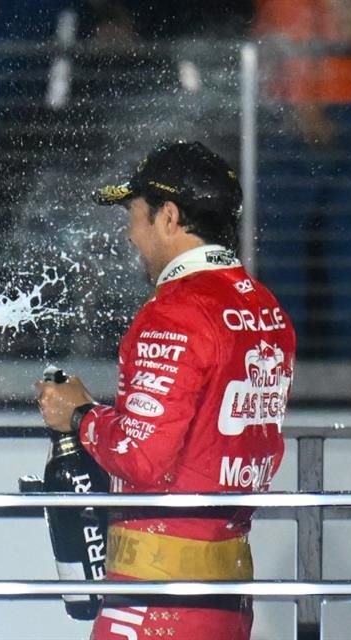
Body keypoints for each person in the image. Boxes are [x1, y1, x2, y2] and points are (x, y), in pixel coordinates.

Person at [36, 141, 296, 639]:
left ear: (169, 217)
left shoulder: (174, 311)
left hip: (157, 598)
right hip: (229, 597)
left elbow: (141, 456)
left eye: (134, 215)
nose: (131, 234)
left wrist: (80, 414)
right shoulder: (267, 310)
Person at [254, 0, 351, 358]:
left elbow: (287, 29)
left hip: (327, 104)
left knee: (288, 239)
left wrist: (301, 101)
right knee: (346, 235)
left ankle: (286, 362)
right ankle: (350, 358)